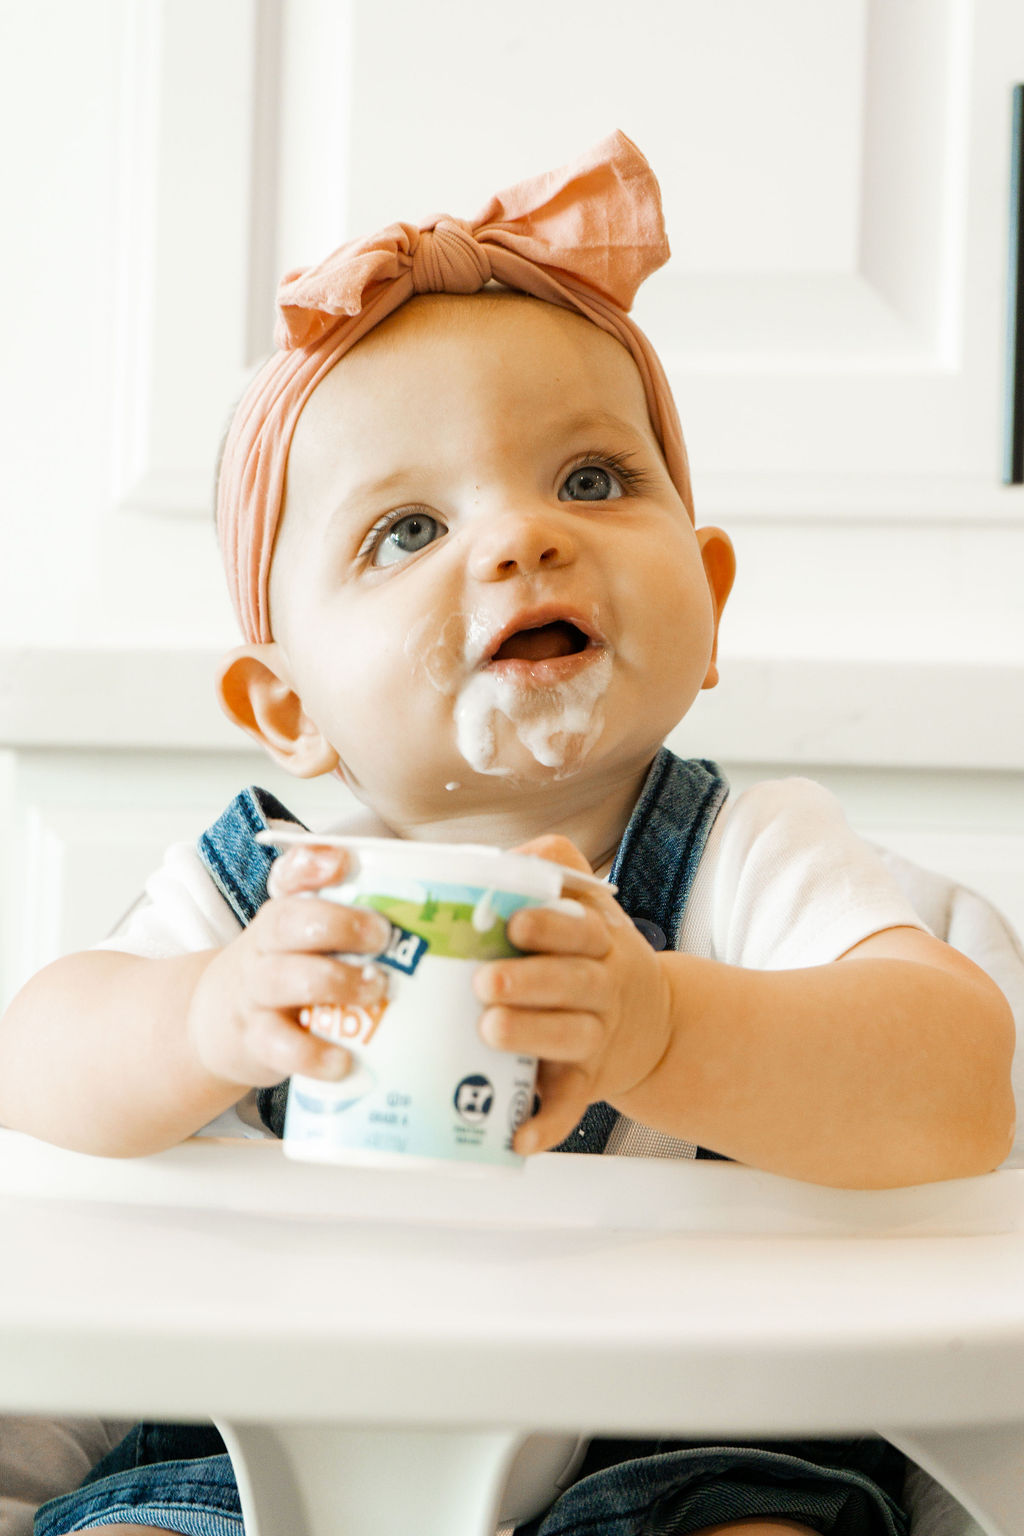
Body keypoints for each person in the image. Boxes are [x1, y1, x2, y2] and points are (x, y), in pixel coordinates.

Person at [0, 132, 1013, 1536]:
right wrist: (206, 1021)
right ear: (285, 703)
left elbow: (960, 1084)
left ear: (710, 602)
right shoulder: (260, 898)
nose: (518, 543)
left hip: (676, 1444)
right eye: (408, 530)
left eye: (591, 481)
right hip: (274, 1454)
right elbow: (36, 1067)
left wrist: (663, 1027)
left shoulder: (753, 860)